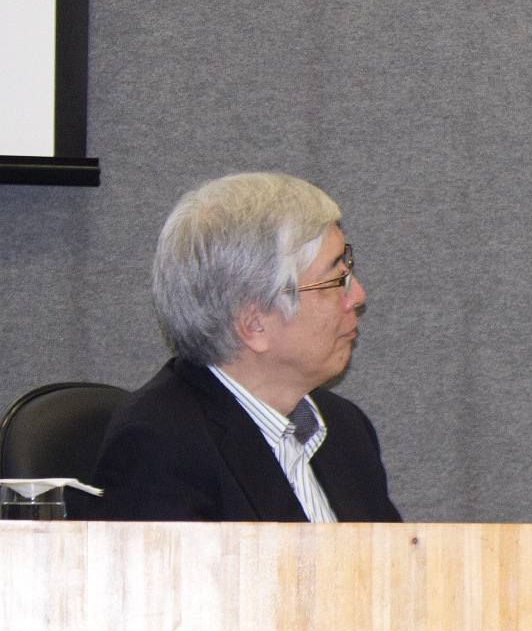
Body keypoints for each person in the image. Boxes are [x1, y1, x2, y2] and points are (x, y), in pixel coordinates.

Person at [91, 171, 399, 521]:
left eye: (348, 267)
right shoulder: (159, 447)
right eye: (334, 280)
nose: (357, 296)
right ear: (255, 325)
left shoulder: (345, 429)